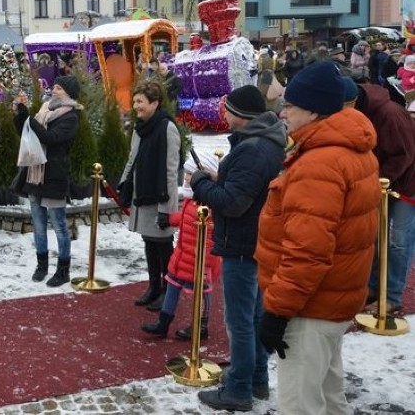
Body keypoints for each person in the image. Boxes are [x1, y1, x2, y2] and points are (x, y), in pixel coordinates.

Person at [256, 61, 380, 414]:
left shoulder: (319, 164)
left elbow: (307, 252)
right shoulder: (348, 149)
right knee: (328, 395)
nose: (283, 113)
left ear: (313, 111)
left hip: (309, 308)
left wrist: (277, 312)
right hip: (332, 300)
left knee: (301, 403)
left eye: (290, 106)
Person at [190, 85, 287, 412]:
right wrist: (221, 178)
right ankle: (255, 376)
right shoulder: (262, 143)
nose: (224, 114)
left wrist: (200, 184)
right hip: (257, 242)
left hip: (244, 246)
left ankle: (239, 389)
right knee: (254, 315)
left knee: (240, 321)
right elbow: (247, 189)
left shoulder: (253, 149)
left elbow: (232, 204)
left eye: (228, 110)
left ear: (243, 116)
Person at [141, 149, 221, 340]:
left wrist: (207, 260)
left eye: (190, 174)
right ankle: (163, 322)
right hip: (183, 253)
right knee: (172, 285)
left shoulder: (211, 203)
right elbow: (185, 218)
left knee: (202, 291)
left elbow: (212, 234)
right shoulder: (191, 200)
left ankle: (201, 325)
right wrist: (169, 220)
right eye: (186, 173)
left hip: (201, 258)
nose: (185, 178)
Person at [14, 75, 82, 287]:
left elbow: (50, 139)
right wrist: (20, 117)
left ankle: (63, 270)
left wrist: (29, 119)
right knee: (38, 224)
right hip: (35, 174)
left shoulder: (71, 117)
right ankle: (41, 265)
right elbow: (28, 135)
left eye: (59, 88)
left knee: (60, 226)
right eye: (54, 87)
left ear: (69, 93)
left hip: (54, 177)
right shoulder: (45, 111)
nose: (54, 90)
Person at [354, 82, 415, 315]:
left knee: (400, 241)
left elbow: (404, 155)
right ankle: (373, 286)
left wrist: (377, 179)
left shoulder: (390, 114)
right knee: (374, 236)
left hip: (406, 184)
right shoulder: (359, 114)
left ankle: (392, 296)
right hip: (381, 182)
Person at [120, 80, 181, 311]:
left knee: (163, 244)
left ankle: (168, 290)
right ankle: (154, 285)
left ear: (155, 103)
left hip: (160, 197)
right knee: (148, 241)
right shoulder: (140, 127)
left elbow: (170, 170)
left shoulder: (167, 128)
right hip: (142, 194)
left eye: (140, 101)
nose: (136, 105)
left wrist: (167, 210)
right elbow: (132, 158)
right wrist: (124, 183)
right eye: (134, 101)